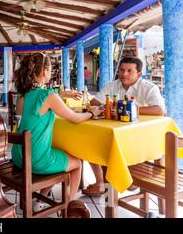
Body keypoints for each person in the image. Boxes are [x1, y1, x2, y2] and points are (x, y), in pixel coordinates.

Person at [11, 53, 103, 211]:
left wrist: (60, 96)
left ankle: (40, 201)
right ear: (45, 72)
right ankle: (69, 207)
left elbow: (40, 104)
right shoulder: (47, 95)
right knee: (76, 164)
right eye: (50, 69)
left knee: (59, 154)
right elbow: (74, 118)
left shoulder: (21, 95)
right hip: (36, 161)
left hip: (19, 156)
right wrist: (93, 113)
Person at [82, 56, 165, 195]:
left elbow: (159, 110)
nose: (124, 74)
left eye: (129, 71)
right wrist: (112, 106)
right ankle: (101, 182)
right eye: (121, 70)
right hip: (115, 133)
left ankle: (128, 178)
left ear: (139, 74)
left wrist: (126, 108)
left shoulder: (149, 87)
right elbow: (94, 103)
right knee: (91, 143)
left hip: (141, 138)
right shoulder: (112, 85)